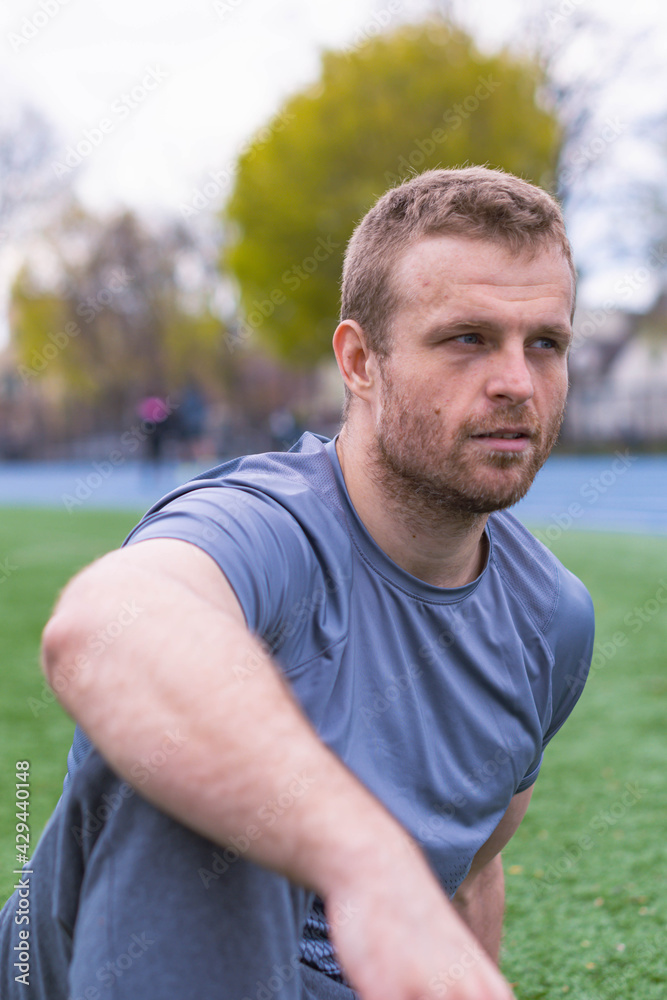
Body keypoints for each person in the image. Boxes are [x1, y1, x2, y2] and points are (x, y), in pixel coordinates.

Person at [0, 166, 594, 1000]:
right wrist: (366, 861)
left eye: (545, 344)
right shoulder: (264, 527)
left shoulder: (552, 617)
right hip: (113, 965)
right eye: (465, 338)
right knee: (190, 761)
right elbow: (103, 625)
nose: (515, 383)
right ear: (358, 362)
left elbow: (466, 877)